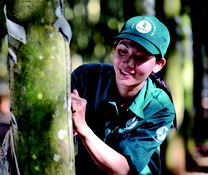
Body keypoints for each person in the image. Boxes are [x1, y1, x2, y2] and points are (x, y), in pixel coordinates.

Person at [71, 16, 176, 175]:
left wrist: (82, 128)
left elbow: (124, 169)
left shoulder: (160, 107)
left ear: (158, 65)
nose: (128, 63)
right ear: (114, 48)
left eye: (140, 57)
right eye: (122, 51)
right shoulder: (85, 78)